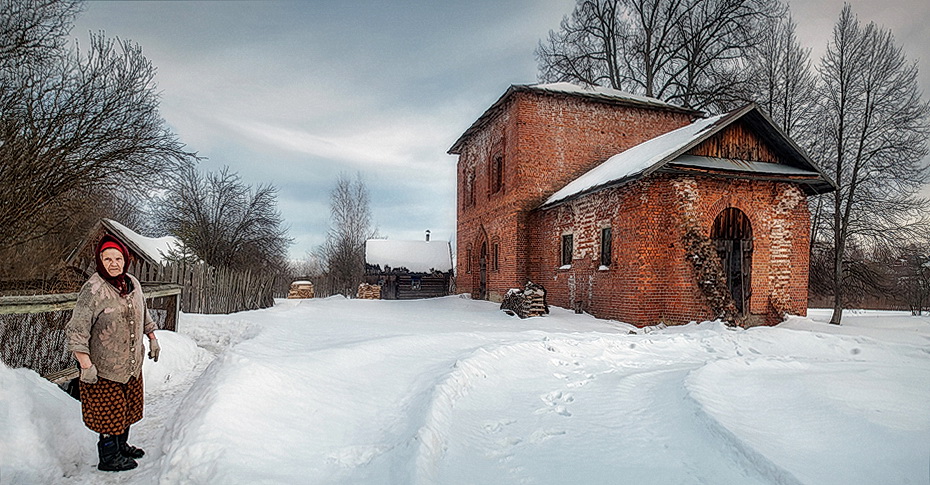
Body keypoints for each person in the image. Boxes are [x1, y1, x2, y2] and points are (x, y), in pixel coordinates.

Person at [66, 235, 161, 472]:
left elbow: (144, 312)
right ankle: (108, 458)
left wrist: (152, 338)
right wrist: (85, 365)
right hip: (103, 369)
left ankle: (121, 446)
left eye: (118, 258)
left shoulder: (133, 283)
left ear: (125, 260)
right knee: (109, 414)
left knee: (127, 409)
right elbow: (77, 330)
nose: (113, 263)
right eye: (107, 258)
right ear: (99, 260)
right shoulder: (93, 289)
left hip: (130, 364)